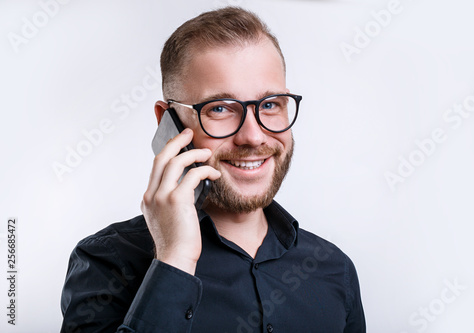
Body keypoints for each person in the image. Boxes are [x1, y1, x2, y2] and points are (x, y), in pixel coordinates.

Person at [60, 6, 365, 333]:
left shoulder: (334, 269)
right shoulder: (108, 262)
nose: (253, 136)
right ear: (169, 122)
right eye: (220, 108)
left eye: (271, 104)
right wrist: (174, 261)